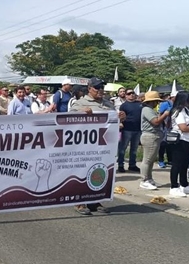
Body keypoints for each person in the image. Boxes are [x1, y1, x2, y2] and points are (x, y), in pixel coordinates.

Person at [70, 77, 126, 215]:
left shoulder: (108, 104)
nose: (100, 90)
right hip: (85, 145)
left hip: (103, 146)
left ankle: (94, 200)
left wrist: (120, 118)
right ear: (89, 88)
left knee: (99, 172)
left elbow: (115, 124)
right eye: (97, 87)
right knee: (82, 172)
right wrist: (82, 114)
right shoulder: (80, 103)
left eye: (102, 87)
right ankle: (79, 202)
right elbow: (68, 121)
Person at [167, 91, 189, 198]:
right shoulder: (178, 111)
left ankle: (184, 184)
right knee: (176, 164)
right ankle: (173, 187)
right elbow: (183, 128)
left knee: (184, 164)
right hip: (179, 140)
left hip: (186, 140)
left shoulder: (186, 110)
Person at [138, 91, 170, 190]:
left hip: (154, 136)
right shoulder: (147, 109)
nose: (158, 103)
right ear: (152, 101)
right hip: (150, 136)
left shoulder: (150, 109)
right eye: (156, 101)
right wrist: (165, 115)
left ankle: (149, 178)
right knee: (147, 160)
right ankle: (144, 180)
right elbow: (155, 122)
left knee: (151, 159)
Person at [118, 89, 143, 173]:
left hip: (137, 129)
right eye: (129, 93)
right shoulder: (124, 106)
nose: (131, 94)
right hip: (127, 129)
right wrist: (121, 123)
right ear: (126, 95)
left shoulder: (140, 104)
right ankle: (120, 165)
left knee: (134, 149)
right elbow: (121, 117)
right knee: (123, 148)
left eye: (133, 93)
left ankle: (132, 165)